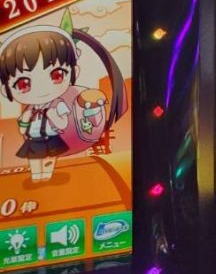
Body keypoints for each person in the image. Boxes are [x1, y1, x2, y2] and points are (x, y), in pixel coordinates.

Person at [0, 13, 126, 182]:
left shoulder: (59, 104)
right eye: (23, 84)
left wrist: (54, 117)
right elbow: (22, 130)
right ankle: (37, 176)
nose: (42, 89)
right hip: (34, 138)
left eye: (57, 75)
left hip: (52, 137)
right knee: (34, 159)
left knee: (50, 157)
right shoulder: (30, 109)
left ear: (74, 72)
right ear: (5, 89)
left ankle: (47, 175)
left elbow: (62, 124)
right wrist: (24, 121)